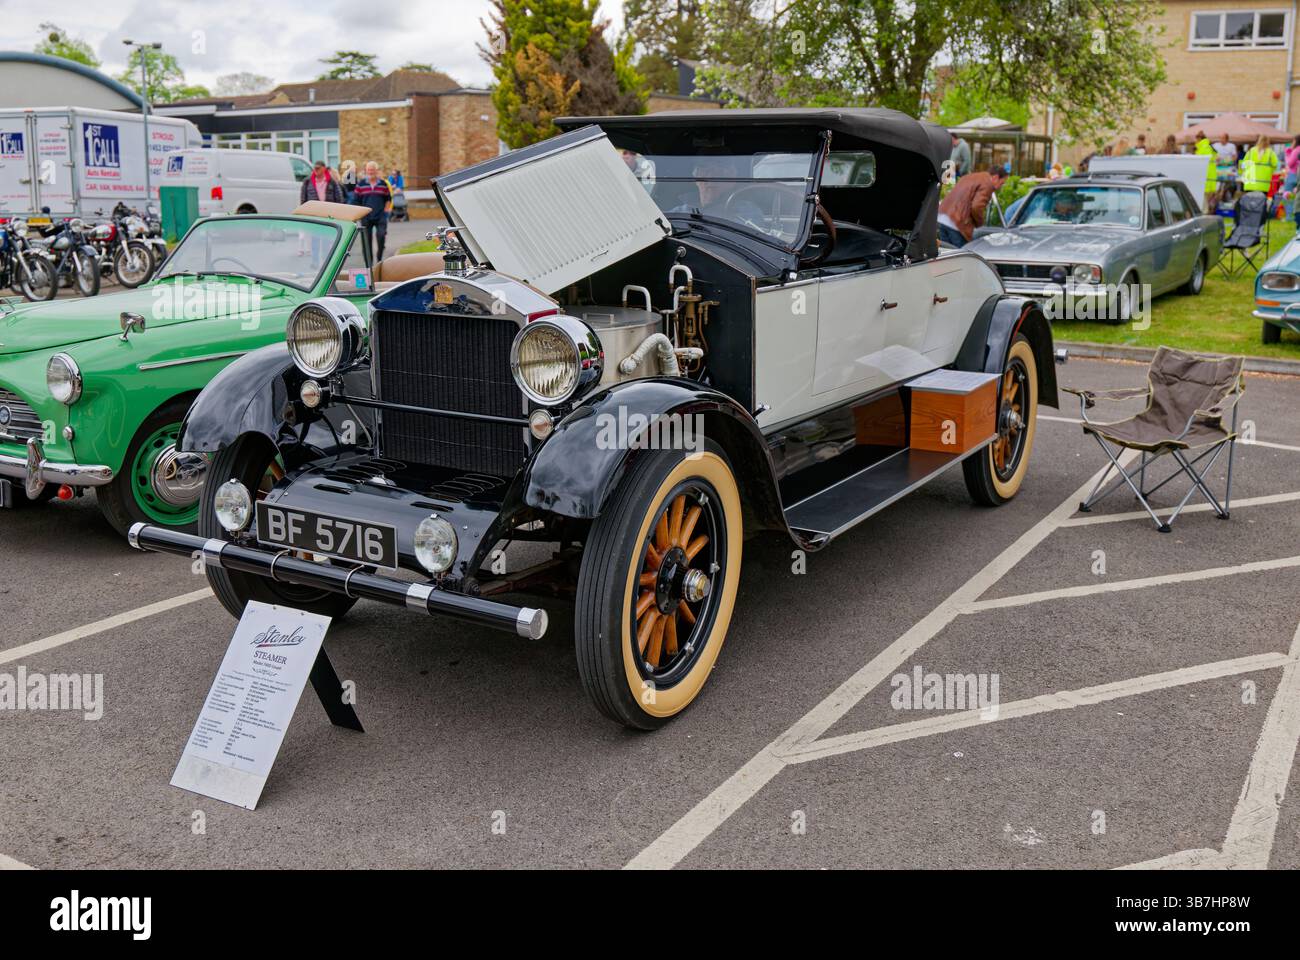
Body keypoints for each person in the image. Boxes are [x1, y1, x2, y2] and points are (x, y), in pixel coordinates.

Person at [937, 166, 1007, 246]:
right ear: (995, 177)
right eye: (1001, 183)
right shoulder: (987, 184)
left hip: (942, 217)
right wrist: (980, 224)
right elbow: (977, 207)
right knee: (963, 255)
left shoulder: (971, 176)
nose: (1000, 187)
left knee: (948, 255)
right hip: (957, 223)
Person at [354, 160, 393, 261]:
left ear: (376, 171)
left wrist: (386, 210)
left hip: (380, 215)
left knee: (381, 235)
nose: (370, 172)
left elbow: (388, 198)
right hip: (366, 216)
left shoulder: (383, 184)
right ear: (366, 171)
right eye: (368, 170)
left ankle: (379, 259)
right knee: (366, 241)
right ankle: (369, 263)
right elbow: (356, 200)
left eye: (372, 170)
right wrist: (359, 214)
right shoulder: (361, 184)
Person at [1194, 131, 1217, 213]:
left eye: (1196, 139)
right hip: (1209, 179)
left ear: (1199, 139)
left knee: (1203, 206)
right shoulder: (1208, 147)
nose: (1195, 141)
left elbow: (1199, 165)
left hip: (1204, 179)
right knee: (1205, 203)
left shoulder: (1203, 148)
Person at [1282, 134, 1300, 220]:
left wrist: (1287, 154)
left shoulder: (1296, 150)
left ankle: (1289, 216)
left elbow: (1289, 163)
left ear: (1296, 141)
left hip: (1293, 175)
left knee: (1287, 195)